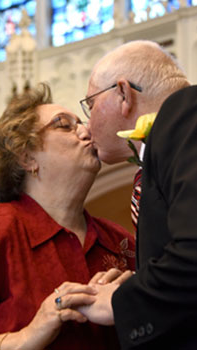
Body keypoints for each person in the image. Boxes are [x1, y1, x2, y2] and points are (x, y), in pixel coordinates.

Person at [0, 83, 135, 350]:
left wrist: (140, 303)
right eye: (64, 125)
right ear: (27, 157)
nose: (86, 130)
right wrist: (25, 337)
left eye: (81, 122)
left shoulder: (121, 241)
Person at [70, 40, 196, 348]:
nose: (87, 126)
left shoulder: (184, 114)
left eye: (90, 104)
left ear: (123, 94)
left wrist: (119, 301)